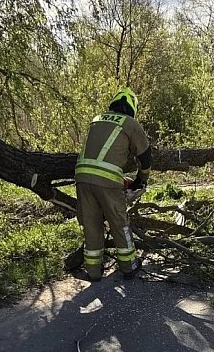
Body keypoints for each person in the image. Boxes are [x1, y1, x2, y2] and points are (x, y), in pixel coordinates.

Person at [75, 87, 152, 281]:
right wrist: (141, 180)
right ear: (132, 107)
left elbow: (100, 156)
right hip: (107, 180)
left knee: (92, 224)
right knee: (119, 222)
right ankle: (129, 266)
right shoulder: (130, 123)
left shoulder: (97, 119)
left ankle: (93, 271)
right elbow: (145, 156)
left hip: (82, 177)